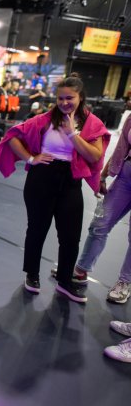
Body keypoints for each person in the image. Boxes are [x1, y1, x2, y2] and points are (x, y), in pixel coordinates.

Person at [0, 74, 110, 303]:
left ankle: (65, 282)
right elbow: (12, 137)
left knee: (70, 236)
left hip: (70, 182)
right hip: (42, 178)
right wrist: (30, 158)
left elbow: (94, 155)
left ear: (81, 97)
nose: (65, 102)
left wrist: (72, 134)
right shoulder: (44, 120)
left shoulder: (92, 123)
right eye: (60, 98)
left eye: (70, 98)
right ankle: (32, 275)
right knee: (37, 230)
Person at [72, 114, 131, 304]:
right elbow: (121, 148)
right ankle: (81, 270)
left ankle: (124, 282)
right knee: (100, 224)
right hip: (126, 176)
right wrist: (103, 175)